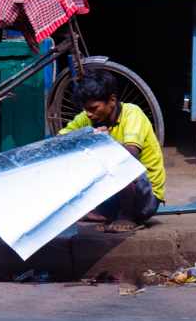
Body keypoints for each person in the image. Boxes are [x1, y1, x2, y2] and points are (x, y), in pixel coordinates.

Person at [59, 70, 165, 233]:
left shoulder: (132, 113)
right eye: (85, 109)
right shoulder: (87, 116)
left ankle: (127, 216)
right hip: (114, 195)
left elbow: (131, 154)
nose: (89, 113)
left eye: (94, 108)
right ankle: (106, 213)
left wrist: (106, 143)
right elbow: (60, 141)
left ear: (112, 100)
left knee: (116, 158)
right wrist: (86, 136)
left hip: (145, 197)